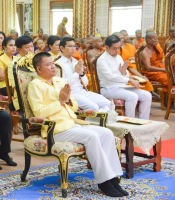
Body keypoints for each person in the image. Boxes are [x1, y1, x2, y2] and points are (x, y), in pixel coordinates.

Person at [28, 52, 127, 197]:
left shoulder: (60, 81)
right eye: (48, 64)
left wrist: (67, 101)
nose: (53, 66)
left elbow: (74, 106)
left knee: (106, 133)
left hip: (72, 123)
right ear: (38, 69)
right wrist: (60, 101)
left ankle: (114, 178)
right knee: (92, 136)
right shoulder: (34, 85)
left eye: (52, 63)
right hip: (55, 128)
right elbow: (39, 113)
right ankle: (104, 182)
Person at [97, 35, 152, 119]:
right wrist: (129, 79)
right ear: (107, 47)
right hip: (109, 89)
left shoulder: (118, 57)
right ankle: (130, 123)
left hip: (122, 87)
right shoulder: (102, 60)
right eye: (114, 48)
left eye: (119, 48)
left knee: (147, 95)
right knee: (132, 96)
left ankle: (143, 121)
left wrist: (124, 73)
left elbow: (126, 73)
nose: (117, 51)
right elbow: (110, 77)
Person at [56, 37, 110, 111]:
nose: (73, 49)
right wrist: (76, 73)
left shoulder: (76, 62)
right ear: (62, 48)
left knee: (108, 104)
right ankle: (88, 123)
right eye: (70, 46)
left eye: (74, 46)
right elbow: (60, 85)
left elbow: (85, 83)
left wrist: (81, 74)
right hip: (71, 93)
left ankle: (101, 122)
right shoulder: (58, 64)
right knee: (93, 107)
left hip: (82, 91)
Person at [119, 30, 159, 99]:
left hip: (130, 72)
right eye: (121, 38)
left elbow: (130, 67)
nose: (122, 40)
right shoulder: (108, 53)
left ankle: (146, 97)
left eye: (124, 37)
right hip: (120, 76)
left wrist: (140, 76)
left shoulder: (126, 50)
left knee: (145, 82)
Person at [140, 32, 170, 106]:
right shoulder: (145, 52)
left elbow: (161, 60)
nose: (157, 41)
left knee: (172, 75)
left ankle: (171, 100)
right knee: (167, 79)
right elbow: (148, 68)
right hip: (150, 73)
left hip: (160, 70)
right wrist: (163, 70)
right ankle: (167, 102)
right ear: (149, 41)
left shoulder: (157, 49)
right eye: (155, 39)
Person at [7, 36, 34, 111]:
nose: (31, 49)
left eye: (32, 46)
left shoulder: (37, 61)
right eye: (27, 47)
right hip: (23, 100)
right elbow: (16, 86)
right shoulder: (14, 65)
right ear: (18, 50)